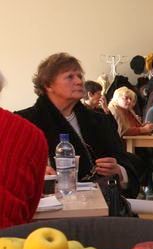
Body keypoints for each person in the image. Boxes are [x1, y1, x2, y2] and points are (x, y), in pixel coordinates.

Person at [16, 52, 139, 199]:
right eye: (70, 77)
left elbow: (126, 164)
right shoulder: (23, 122)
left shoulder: (100, 122)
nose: (79, 81)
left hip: (100, 205)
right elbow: (11, 170)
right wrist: (36, 174)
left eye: (80, 76)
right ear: (48, 85)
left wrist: (119, 171)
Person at [0, 71, 49, 228]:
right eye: (69, 76)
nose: (78, 82)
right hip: (10, 238)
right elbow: (30, 207)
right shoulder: (30, 132)